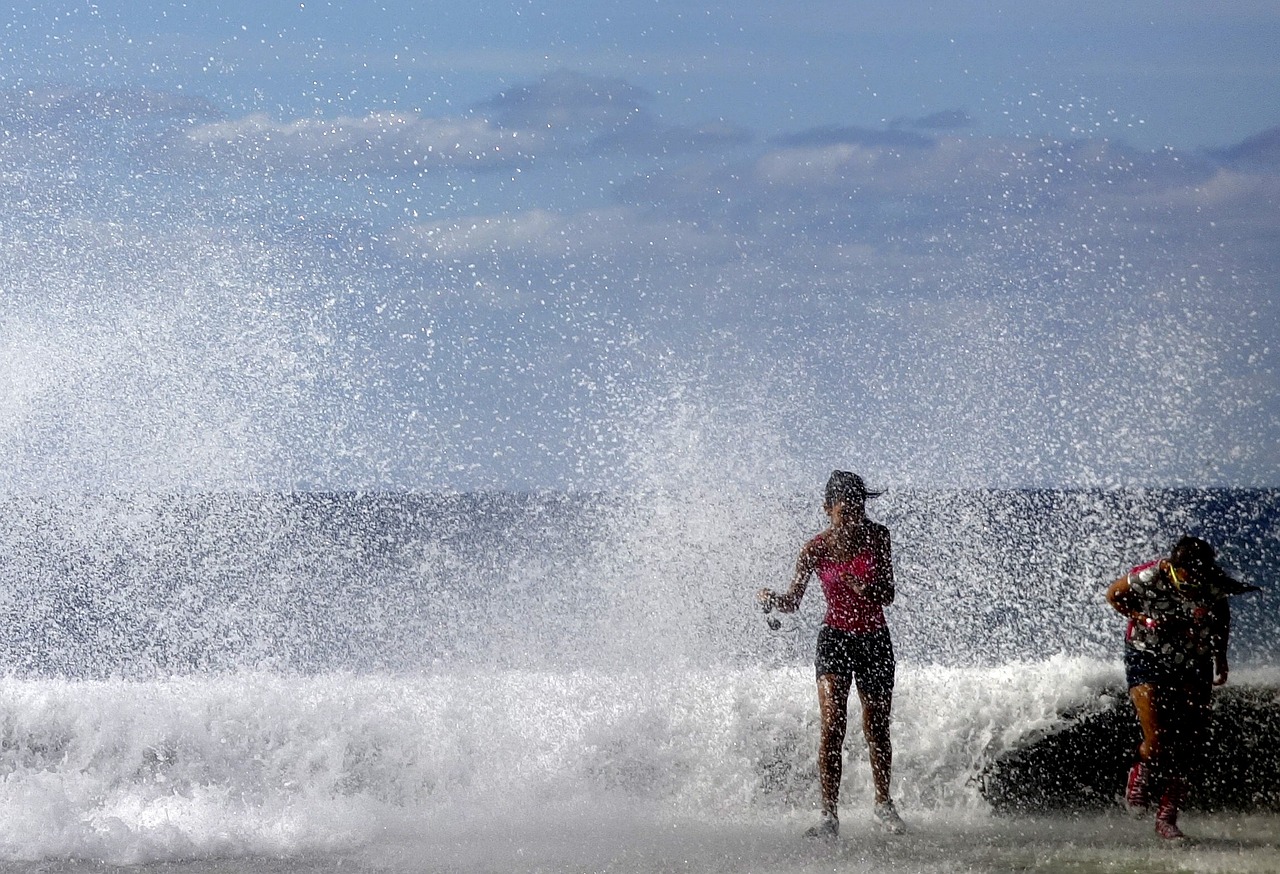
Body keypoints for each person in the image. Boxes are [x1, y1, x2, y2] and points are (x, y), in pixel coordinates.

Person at [758, 470, 905, 837]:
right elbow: (793, 601)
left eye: (859, 508)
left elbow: (888, 594)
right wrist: (772, 599)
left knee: (876, 728)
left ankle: (883, 806)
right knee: (832, 725)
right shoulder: (814, 549)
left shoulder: (878, 537)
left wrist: (864, 588)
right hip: (835, 639)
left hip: (874, 640)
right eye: (845, 510)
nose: (854, 516)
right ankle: (829, 817)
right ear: (828, 509)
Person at [1105, 535, 1257, 840]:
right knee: (1156, 739)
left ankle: (1167, 817)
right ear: (1175, 567)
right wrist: (1142, 617)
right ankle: (1140, 772)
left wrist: (1221, 657)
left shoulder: (1211, 582)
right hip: (1146, 655)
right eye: (1189, 574)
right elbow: (1114, 595)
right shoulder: (1151, 575)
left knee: (1190, 744)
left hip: (1193, 659)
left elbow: (1221, 617)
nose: (1194, 581)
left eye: (1201, 574)